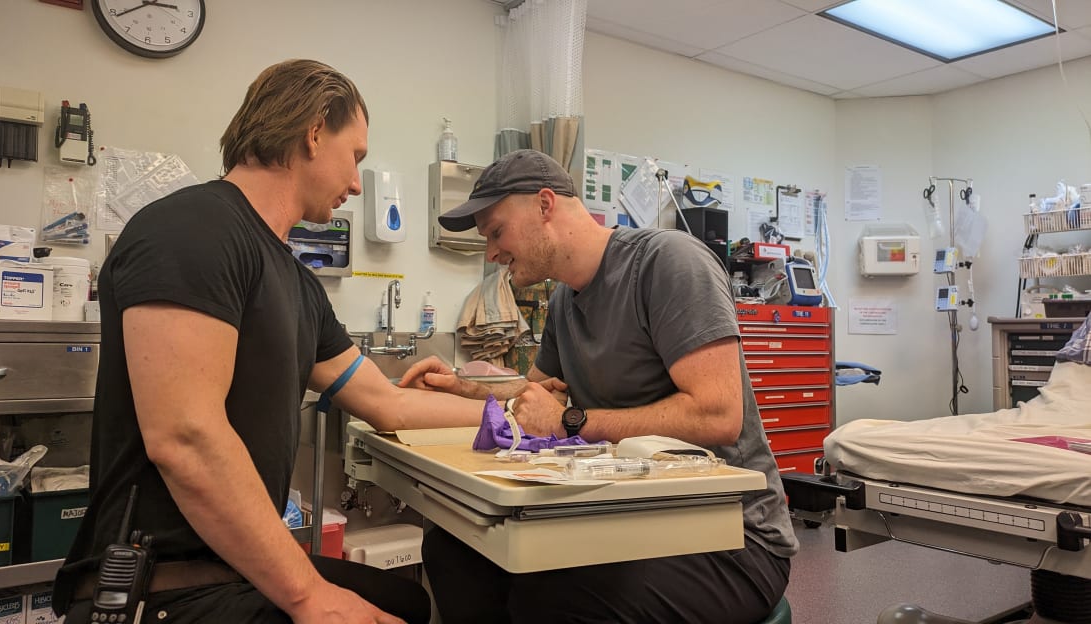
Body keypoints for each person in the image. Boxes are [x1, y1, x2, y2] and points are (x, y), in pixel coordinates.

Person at [53, 59, 483, 624]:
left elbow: (388, 403)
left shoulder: (298, 285)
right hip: (167, 585)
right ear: (312, 133)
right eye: (354, 156)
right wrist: (310, 596)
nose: (356, 183)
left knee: (408, 602)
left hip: (231, 568)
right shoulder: (193, 229)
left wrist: (507, 415)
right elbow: (186, 438)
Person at [400, 149, 798, 624]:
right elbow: (535, 394)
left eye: (496, 232)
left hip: (731, 535)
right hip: (627, 515)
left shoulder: (668, 263)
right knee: (456, 550)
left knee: (551, 597)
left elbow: (718, 415)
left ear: (545, 205)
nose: (492, 253)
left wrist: (571, 422)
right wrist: (462, 387)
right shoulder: (565, 300)